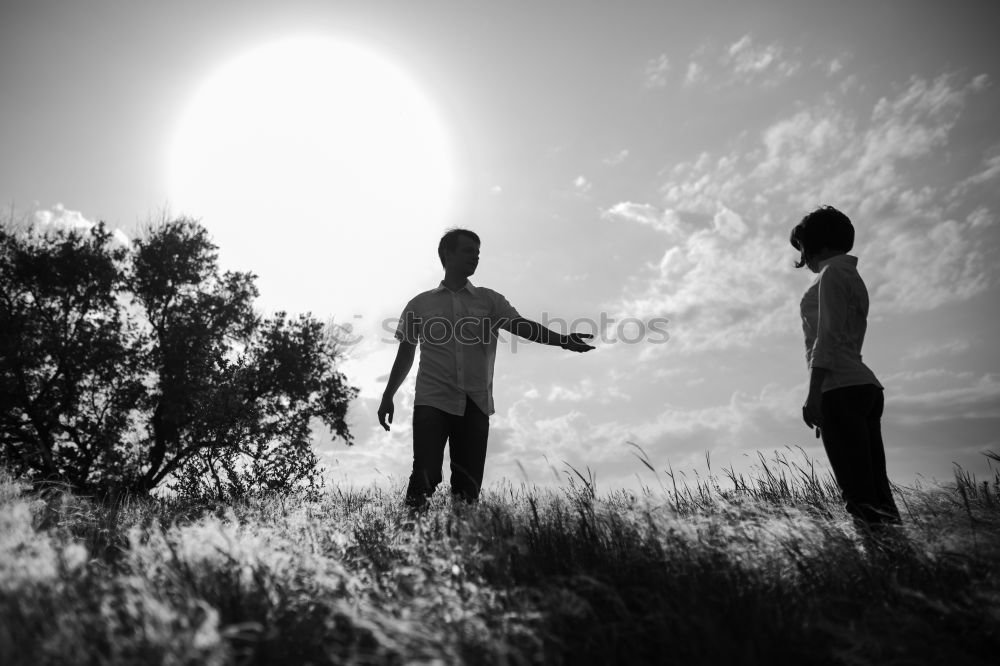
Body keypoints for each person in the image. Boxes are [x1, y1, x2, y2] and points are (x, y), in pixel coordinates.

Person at [378, 228, 594, 509]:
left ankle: (463, 544)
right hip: (432, 401)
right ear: (447, 254)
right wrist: (388, 395)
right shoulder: (419, 305)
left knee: (467, 488)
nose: (475, 258)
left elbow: (523, 326)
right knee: (425, 474)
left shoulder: (489, 300)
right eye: (468, 251)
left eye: (478, 253)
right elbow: (406, 354)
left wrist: (563, 341)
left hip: (475, 403)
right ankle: (411, 539)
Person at [791, 206, 901, 530]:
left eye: (802, 248)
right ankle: (899, 559)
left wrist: (814, 395)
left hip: (841, 390)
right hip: (864, 387)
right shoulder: (852, 276)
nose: (803, 259)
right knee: (877, 492)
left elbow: (826, 338)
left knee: (858, 495)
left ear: (817, 243)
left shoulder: (831, 275)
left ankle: (878, 566)